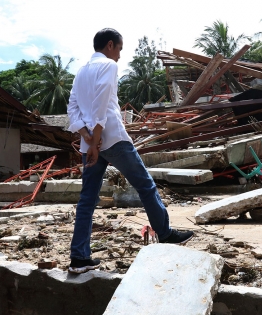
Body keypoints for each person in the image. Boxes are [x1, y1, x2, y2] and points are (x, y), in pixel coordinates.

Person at [67, 28, 193, 274]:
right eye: (120, 50)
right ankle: (165, 234)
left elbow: (73, 108)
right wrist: (97, 140)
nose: (119, 57)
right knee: (145, 185)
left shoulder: (81, 72)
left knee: (87, 200)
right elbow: (102, 104)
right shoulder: (109, 67)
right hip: (112, 138)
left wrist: (88, 139)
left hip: (91, 144)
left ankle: (79, 258)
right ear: (111, 45)